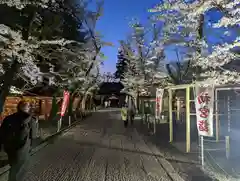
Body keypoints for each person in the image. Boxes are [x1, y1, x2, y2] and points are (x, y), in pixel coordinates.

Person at [0, 101, 33, 181]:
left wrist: (3, 147)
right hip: (24, 149)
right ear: (28, 109)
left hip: (10, 149)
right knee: (20, 170)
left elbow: (2, 134)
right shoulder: (31, 120)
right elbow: (33, 136)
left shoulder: (8, 119)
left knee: (14, 168)